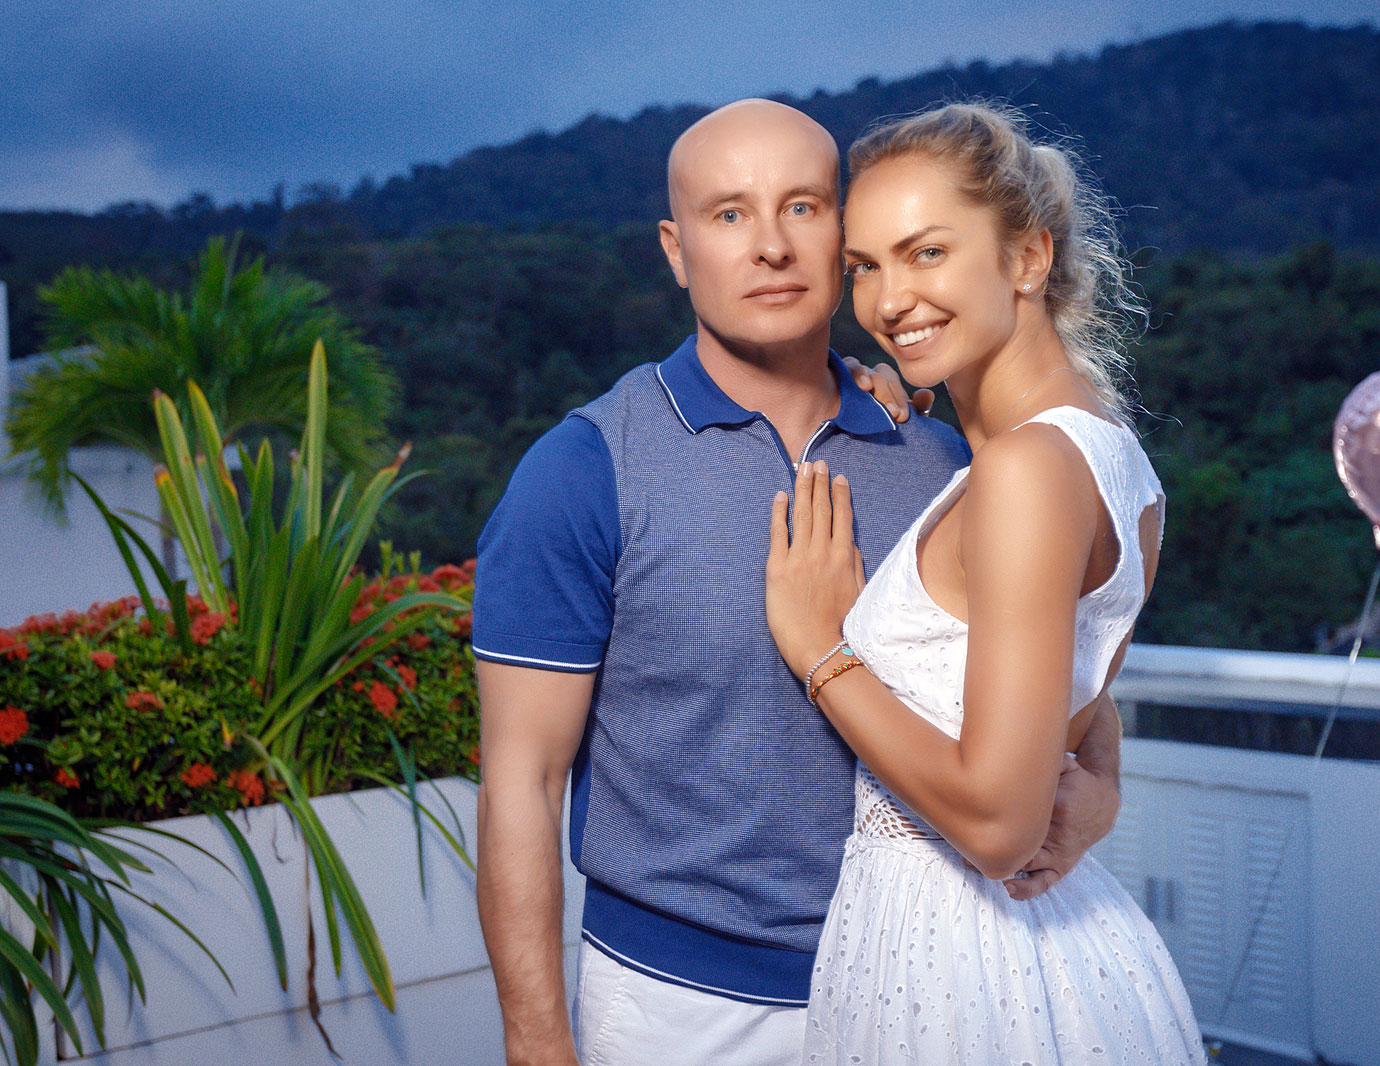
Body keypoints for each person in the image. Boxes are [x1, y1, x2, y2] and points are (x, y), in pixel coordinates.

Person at [473, 98, 1126, 1066]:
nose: (771, 245)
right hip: (681, 1006)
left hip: (930, 978)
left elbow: (1066, 670)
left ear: (843, 235)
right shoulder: (584, 469)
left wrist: (1098, 790)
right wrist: (536, 1044)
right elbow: (521, 781)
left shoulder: (943, 458)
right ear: (676, 248)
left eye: (804, 207)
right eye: (729, 213)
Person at [764, 102, 1207, 1063]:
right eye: (864, 267)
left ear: (1028, 258)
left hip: (965, 960)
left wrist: (821, 651)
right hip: (1035, 945)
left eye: (927, 252)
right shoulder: (1103, 452)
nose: (889, 301)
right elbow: (1071, 684)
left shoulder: (1024, 470)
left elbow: (1002, 827)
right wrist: (1102, 783)